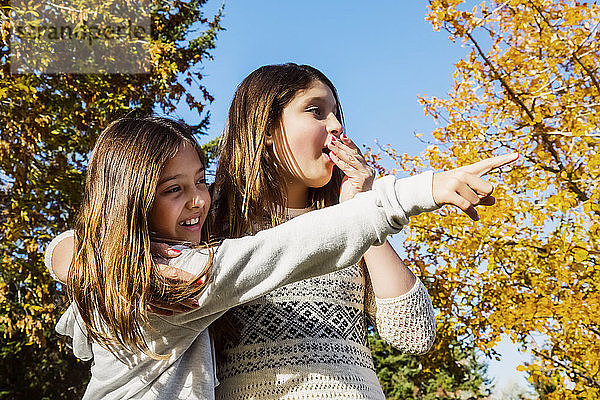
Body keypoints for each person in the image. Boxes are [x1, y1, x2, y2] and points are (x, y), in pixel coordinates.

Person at [46, 115, 478, 399]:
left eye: (201, 181)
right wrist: (419, 191)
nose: (198, 200)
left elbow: (63, 246)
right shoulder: (177, 276)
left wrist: (71, 257)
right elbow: (284, 250)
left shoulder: (121, 265)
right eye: (173, 189)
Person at [206, 63, 514, 399]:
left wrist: (363, 210)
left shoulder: (351, 218)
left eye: (336, 113)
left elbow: (415, 333)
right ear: (264, 127)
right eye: (315, 111)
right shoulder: (212, 225)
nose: (336, 126)